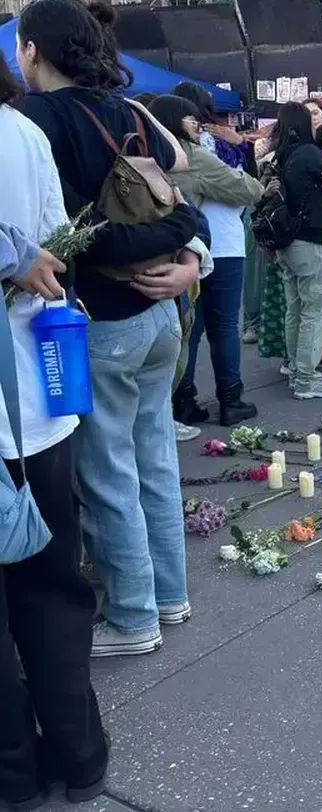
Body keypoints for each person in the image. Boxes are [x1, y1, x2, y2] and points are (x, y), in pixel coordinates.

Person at [16, 0, 207, 659]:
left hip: (99, 319)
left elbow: (61, 237)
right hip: (160, 315)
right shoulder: (127, 112)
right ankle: (169, 596)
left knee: (105, 472)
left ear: (33, 50)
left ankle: (132, 616)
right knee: (153, 459)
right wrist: (186, 248)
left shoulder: (29, 119)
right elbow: (180, 179)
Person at [0, 66, 110, 808]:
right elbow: (53, 249)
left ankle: (13, 772)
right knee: (54, 586)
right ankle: (78, 753)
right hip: (35, 401)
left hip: (28, 404)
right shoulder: (22, 132)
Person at [152, 94, 264, 426]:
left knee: (190, 329)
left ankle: (183, 401)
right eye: (193, 120)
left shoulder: (149, 154)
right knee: (224, 327)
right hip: (219, 249)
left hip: (176, 251)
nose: (198, 127)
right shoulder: (191, 155)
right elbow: (248, 189)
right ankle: (231, 399)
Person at [272, 101, 322, 399]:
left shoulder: (281, 156)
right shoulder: (309, 153)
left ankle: (296, 370)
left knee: (294, 308)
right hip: (311, 241)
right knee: (315, 311)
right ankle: (307, 379)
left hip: (286, 243)